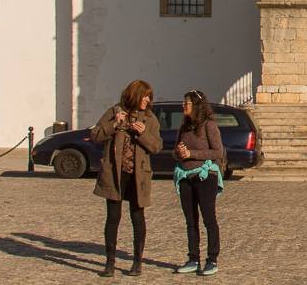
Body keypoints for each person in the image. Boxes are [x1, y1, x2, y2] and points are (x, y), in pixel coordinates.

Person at [90, 80, 162, 278]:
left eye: (149, 97)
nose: (147, 100)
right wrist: (113, 125)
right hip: (115, 173)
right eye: (144, 96)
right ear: (134, 95)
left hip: (138, 176)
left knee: (137, 217)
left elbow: (157, 146)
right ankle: (109, 263)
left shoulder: (150, 119)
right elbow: (95, 135)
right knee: (113, 218)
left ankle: (137, 262)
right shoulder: (115, 111)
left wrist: (143, 133)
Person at [172, 90, 227, 276]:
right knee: (190, 220)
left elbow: (218, 152)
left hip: (205, 178)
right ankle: (193, 258)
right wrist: (179, 153)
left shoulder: (208, 126)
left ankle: (212, 259)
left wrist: (192, 154)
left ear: (196, 105)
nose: (183, 106)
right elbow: (175, 153)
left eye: (186, 103)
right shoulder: (185, 128)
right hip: (186, 177)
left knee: (208, 219)